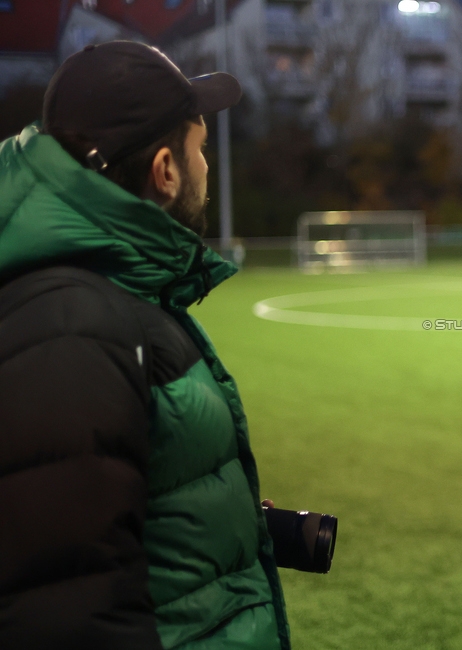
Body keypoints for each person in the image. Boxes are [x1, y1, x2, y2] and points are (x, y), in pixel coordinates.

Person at [0, 42, 289, 648]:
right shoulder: (71, 328)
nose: (206, 168)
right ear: (165, 170)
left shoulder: (110, 297)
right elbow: (69, 610)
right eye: (200, 149)